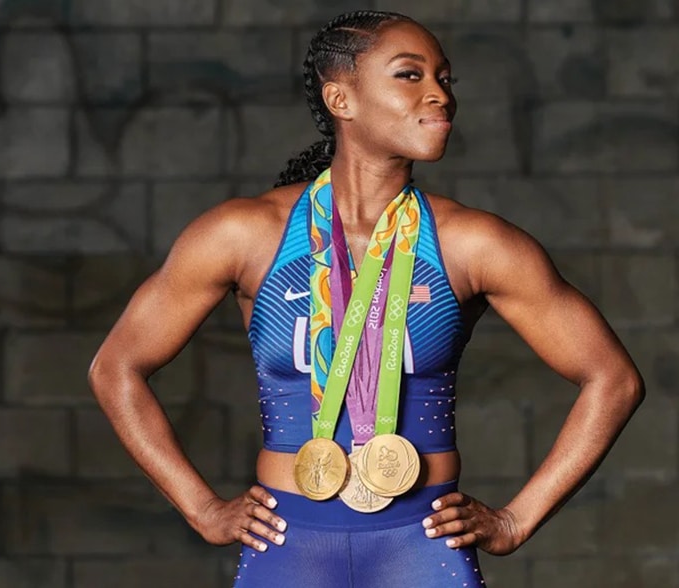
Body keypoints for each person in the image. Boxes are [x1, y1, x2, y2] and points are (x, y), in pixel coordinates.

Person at [88, 10, 644, 587]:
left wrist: (514, 520)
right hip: (287, 542)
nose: (440, 96)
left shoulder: (473, 243)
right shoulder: (245, 234)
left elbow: (613, 379)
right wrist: (201, 508)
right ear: (341, 99)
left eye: (445, 78)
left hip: (423, 546)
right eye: (410, 75)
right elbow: (117, 368)